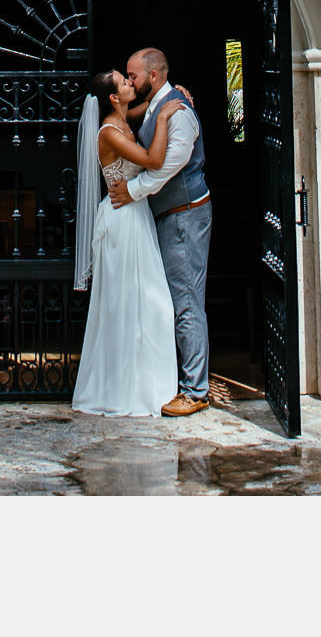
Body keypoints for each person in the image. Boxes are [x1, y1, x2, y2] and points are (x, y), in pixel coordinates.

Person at [71, 69, 182, 417]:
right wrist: (165, 116)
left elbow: (141, 108)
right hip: (122, 222)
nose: (131, 83)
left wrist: (168, 96)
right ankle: (126, 391)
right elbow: (153, 161)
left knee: (147, 306)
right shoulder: (109, 132)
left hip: (136, 217)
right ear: (113, 98)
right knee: (130, 306)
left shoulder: (122, 118)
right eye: (124, 81)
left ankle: (146, 385)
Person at [109, 46, 211, 417]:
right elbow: (133, 114)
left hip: (185, 214)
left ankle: (196, 391)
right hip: (169, 214)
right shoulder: (160, 104)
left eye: (133, 76)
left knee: (186, 302)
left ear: (153, 76)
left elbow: (169, 166)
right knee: (173, 300)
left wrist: (132, 192)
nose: (130, 81)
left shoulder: (179, 112)